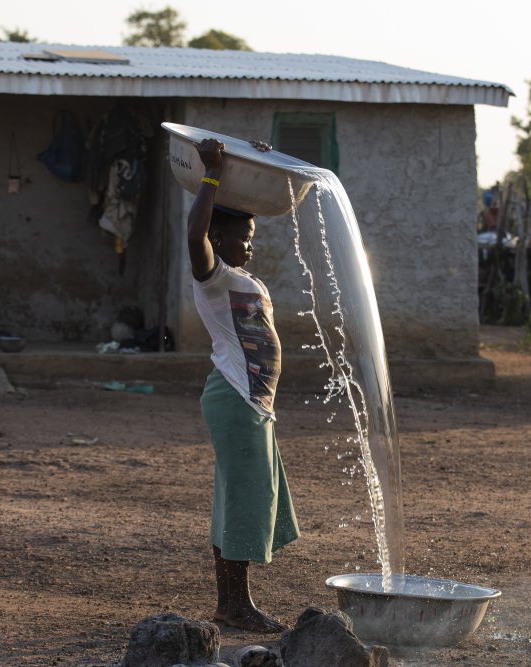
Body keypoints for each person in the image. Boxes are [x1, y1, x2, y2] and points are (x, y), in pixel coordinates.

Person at [188, 137, 299, 633]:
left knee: (240, 497)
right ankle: (235, 606)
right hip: (235, 397)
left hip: (251, 402)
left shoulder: (236, 277)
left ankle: (231, 602)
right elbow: (195, 236)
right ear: (217, 236)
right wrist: (212, 174)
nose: (251, 243)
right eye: (244, 235)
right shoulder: (212, 277)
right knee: (244, 499)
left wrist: (255, 163)